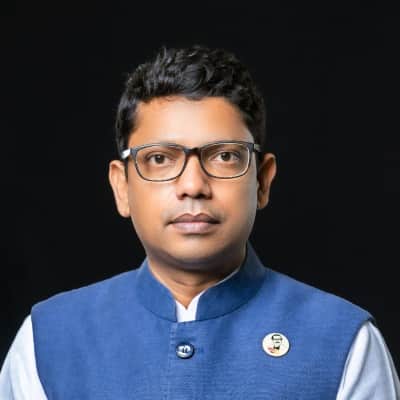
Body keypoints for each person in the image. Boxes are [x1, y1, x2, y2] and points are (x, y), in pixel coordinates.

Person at [0, 45, 399, 399]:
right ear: (122, 187)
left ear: (262, 181)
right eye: (160, 158)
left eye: (224, 156)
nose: (193, 185)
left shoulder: (343, 342)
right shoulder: (48, 339)